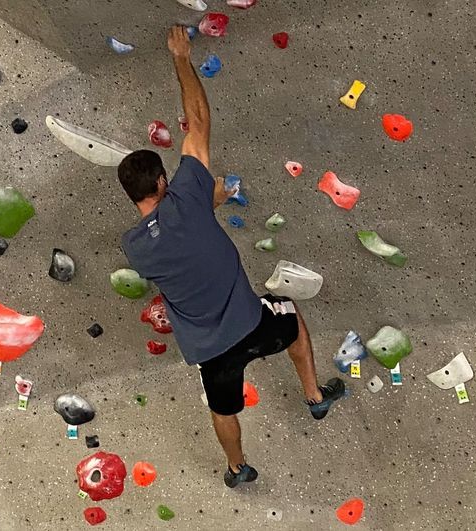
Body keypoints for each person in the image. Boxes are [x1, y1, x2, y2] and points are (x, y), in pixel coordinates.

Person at [118, 26, 345, 488]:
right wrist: (181, 58)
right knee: (292, 318)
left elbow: (176, 239)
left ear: (131, 196)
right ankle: (314, 395)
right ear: (163, 181)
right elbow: (198, 121)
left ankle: (238, 468)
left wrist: (209, 204)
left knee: (223, 410)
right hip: (250, 323)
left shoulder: (135, 247)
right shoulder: (186, 197)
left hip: (209, 351)